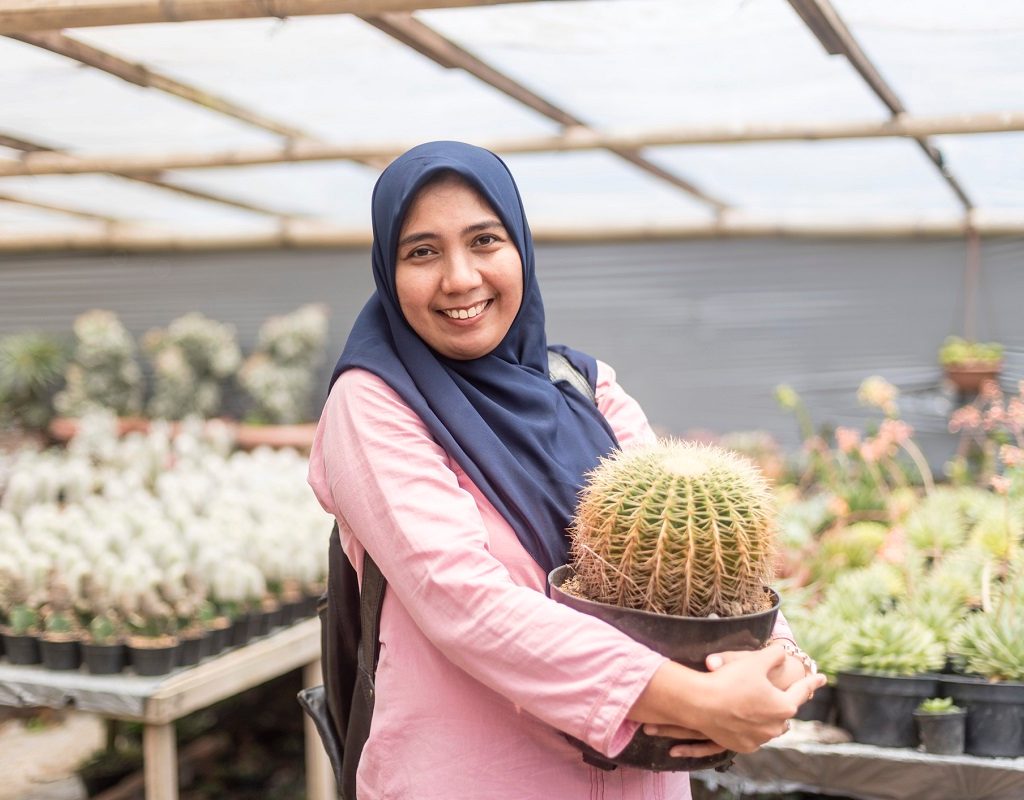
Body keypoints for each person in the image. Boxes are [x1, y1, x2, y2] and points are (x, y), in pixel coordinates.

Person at [308, 141, 825, 800]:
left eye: (485, 240)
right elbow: (461, 597)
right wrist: (689, 697)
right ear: (388, 266)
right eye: (423, 252)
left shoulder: (585, 384)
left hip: (639, 779)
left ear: (521, 246)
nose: (460, 277)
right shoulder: (374, 400)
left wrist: (774, 662)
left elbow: (693, 559)